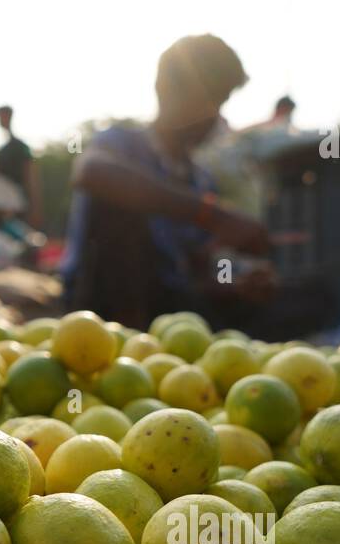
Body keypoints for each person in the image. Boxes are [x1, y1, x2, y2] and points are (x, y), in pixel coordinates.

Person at [62, 34, 272, 329]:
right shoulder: (120, 144)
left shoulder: (200, 180)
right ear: (164, 89)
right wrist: (211, 215)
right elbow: (90, 172)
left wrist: (232, 283)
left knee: (307, 298)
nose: (212, 113)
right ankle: (127, 340)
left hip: (171, 306)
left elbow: (200, 269)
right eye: (206, 96)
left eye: (219, 100)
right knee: (117, 201)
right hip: (102, 308)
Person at [0, 105, 42, 228]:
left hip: (17, 207)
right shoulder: (2, 150)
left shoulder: (20, 147)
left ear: (9, 117)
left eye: (1, 117)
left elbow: (31, 177)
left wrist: (35, 208)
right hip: (1, 207)